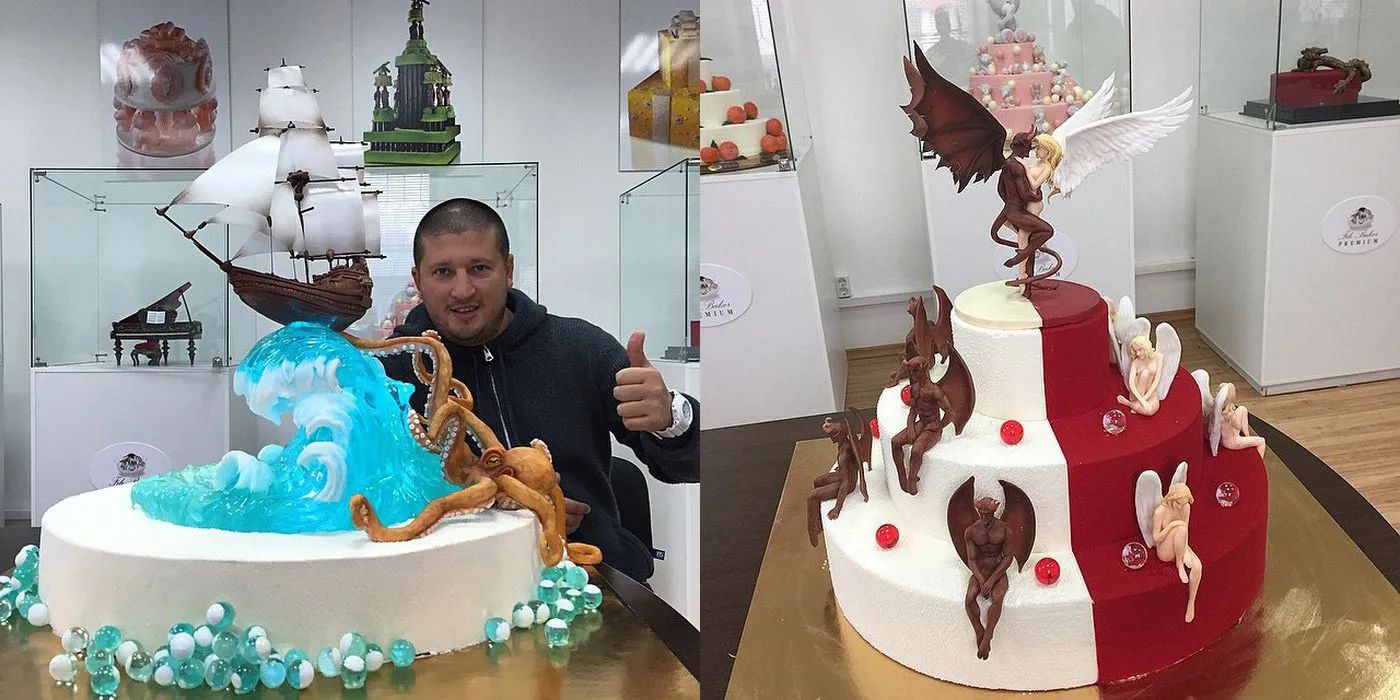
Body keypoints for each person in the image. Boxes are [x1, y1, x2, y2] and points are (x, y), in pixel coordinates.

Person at [379, 198, 699, 582]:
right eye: (443, 272)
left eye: (479, 268)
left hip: (591, 573)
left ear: (508, 270)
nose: (462, 290)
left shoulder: (582, 348)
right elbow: (369, 495)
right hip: (448, 580)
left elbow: (689, 466)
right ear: (418, 281)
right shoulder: (388, 374)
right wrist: (507, 512)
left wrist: (671, 419)